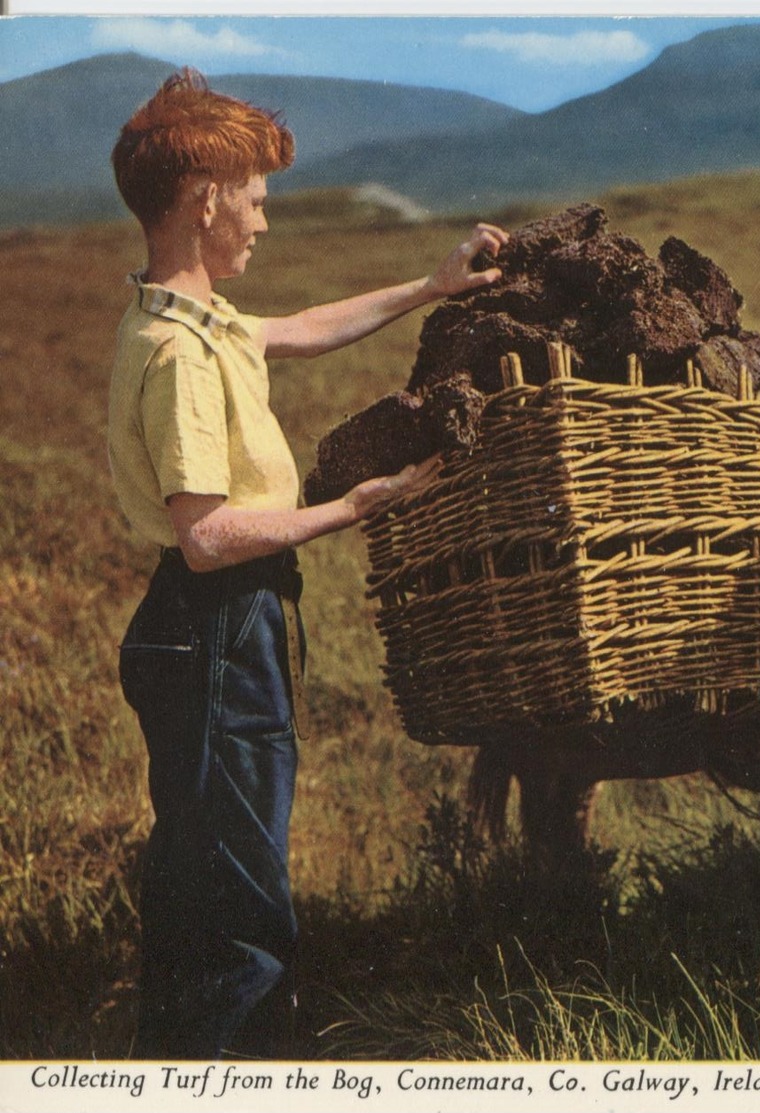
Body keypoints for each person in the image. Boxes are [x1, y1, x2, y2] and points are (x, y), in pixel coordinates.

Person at [107, 68, 508, 1058]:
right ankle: (242, 1070)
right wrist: (351, 508)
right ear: (207, 202)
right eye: (254, 200)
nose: (264, 222)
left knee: (203, 860)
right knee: (241, 883)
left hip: (212, 627)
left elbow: (302, 329)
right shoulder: (180, 357)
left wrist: (432, 285)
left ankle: (184, 1058)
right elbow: (206, 538)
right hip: (217, 622)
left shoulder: (192, 321)